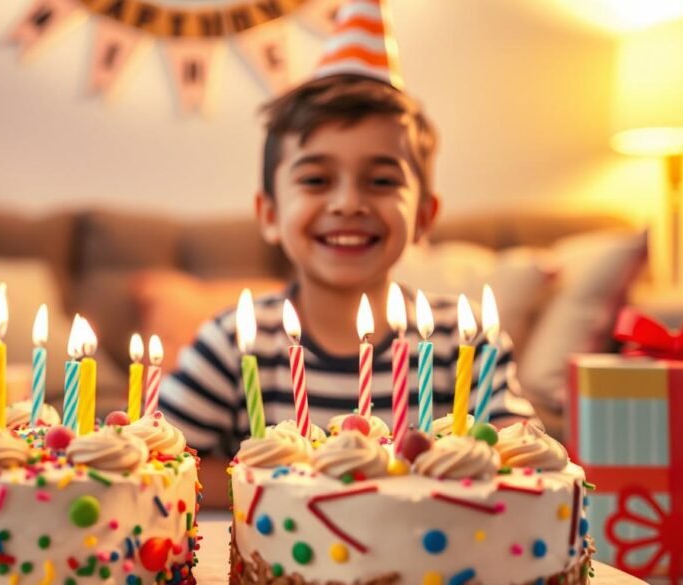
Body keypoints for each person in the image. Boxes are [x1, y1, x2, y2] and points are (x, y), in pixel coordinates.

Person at [158, 0, 536, 508]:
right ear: (269, 213)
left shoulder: (463, 342)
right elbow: (167, 463)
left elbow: (525, 457)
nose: (348, 203)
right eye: (315, 179)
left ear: (424, 215)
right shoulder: (233, 343)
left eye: (381, 181)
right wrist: (291, 485)